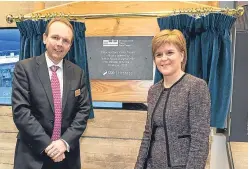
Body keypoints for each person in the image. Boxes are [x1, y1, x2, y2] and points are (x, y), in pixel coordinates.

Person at [12, 17, 91, 169]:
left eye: (65, 40)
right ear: (44, 38)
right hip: (32, 155)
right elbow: (21, 112)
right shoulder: (24, 68)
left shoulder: (78, 73)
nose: (60, 44)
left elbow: (83, 111)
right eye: (55, 37)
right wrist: (49, 146)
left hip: (66, 156)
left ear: (70, 45)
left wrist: (64, 142)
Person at [135, 29, 211, 169]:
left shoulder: (196, 86)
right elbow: (148, 134)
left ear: (182, 55)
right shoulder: (154, 90)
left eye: (169, 52)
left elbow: (200, 139)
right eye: (159, 54)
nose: (164, 58)